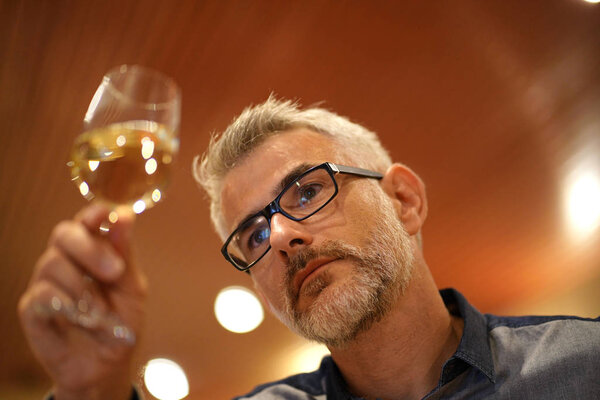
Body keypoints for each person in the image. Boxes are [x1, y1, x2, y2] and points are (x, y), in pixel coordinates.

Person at [19, 96, 600, 400]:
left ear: (404, 201)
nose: (278, 236)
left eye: (307, 190)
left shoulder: (582, 366)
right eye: (250, 233)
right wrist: (91, 392)